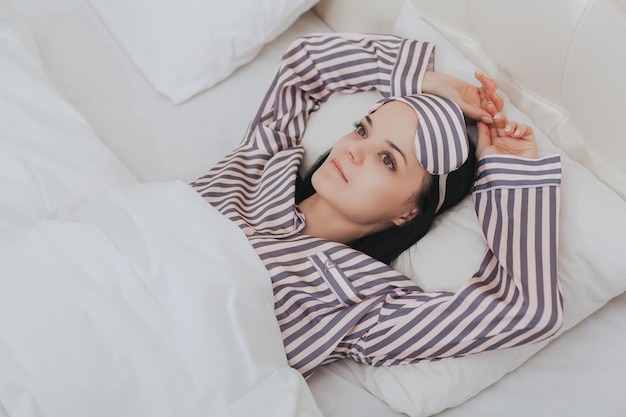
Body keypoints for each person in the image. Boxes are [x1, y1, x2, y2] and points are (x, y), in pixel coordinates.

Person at [191, 33, 563, 379]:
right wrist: (426, 81)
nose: (353, 149)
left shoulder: (367, 305)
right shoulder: (262, 161)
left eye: (387, 159)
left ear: (409, 212)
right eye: (362, 129)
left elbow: (525, 311)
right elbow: (306, 63)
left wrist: (510, 175)